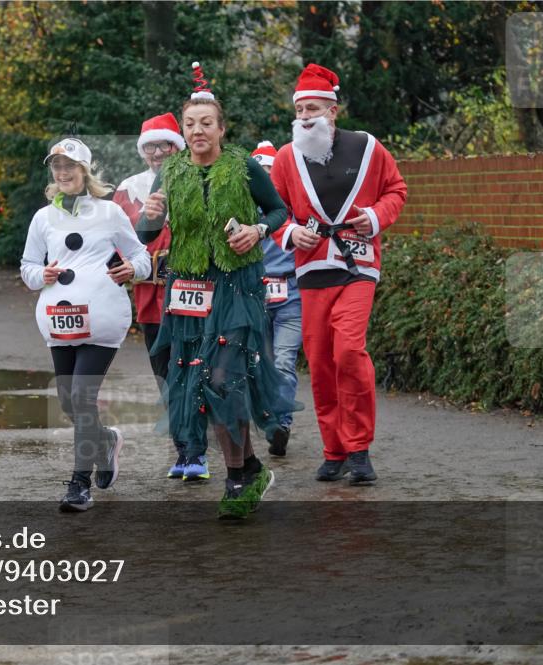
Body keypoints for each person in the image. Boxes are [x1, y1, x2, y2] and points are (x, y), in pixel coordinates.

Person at [139, 62, 295, 519]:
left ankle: (238, 474)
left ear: (222, 128)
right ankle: (247, 469)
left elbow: (279, 211)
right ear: (182, 130)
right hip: (188, 289)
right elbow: (146, 232)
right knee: (200, 384)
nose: (198, 131)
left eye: (206, 123)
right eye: (190, 124)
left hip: (236, 286)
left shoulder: (243, 166)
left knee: (225, 379)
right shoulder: (170, 172)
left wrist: (256, 230)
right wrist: (150, 216)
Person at [269, 63, 407, 485]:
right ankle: (335, 451)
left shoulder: (367, 147)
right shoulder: (286, 157)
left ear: (333, 110)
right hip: (311, 270)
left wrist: (375, 217)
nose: (305, 116)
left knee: (348, 350)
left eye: (314, 108)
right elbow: (273, 210)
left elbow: (396, 189)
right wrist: (289, 233)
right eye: (300, 109)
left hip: (357, 265)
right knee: (322, 363)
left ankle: (359, 449)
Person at [21, 138, 151, 512]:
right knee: (69, 402)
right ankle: (106, 441)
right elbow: (28, 267)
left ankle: (80, 484)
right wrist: (41, 275)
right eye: (57, 166)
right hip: (59, 321)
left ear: (85, 170)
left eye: (70, 166)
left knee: (81, 397)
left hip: (102, 319)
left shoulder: (110, 212)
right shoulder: (42, 218)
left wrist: (132, 269)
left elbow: (141, 256)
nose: (63, 172)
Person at [113, 112, 187, 477]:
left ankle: (191, 442)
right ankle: (183, 439)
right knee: (164, 370)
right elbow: (114, 240)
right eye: (151, 147)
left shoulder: (198, 179)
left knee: (194, 367)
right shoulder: (128, 189)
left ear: (177, 147)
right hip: (151, 295)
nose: (157, 153)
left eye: (165, 145)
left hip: (193, 292)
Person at [250, 140, 302, 458]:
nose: (266, 178)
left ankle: (281, 424)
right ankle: (271, 419)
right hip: (256, 296)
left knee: (284, 361)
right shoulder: (243, 210)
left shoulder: (294, 207)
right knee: (261, 365)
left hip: (291, 295)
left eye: (271, 171)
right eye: (261, 172)